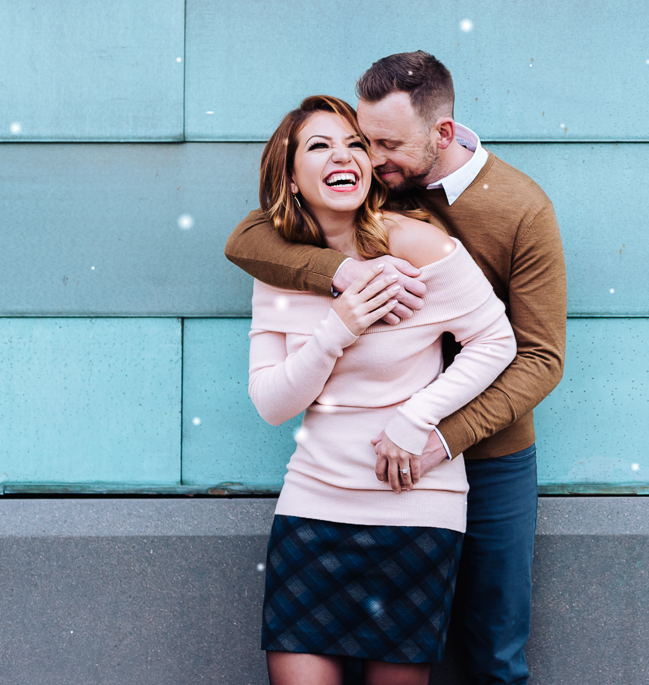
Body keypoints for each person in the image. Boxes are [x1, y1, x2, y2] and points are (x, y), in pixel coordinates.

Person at [227, 52, 566, 685]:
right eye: (361, 139)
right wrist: (342, 279)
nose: (367, 157)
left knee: (493, 649)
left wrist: (434, 432)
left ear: (440, 135)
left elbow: (536, 357)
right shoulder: (377, 184)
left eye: (381, 144)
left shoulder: (519, 209)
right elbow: (250, 238)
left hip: (481, 450)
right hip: (337, 481)